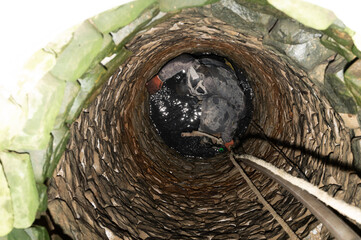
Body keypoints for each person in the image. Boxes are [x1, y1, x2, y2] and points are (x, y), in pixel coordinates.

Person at [146, 54, 246, 151]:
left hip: (219, 88)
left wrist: (226, 138)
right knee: (182, 89)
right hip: (216, 70)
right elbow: (186, 60)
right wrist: (160, 78)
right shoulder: (206, 80)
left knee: (187, 91)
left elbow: (231, 118)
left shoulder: (236, 111)